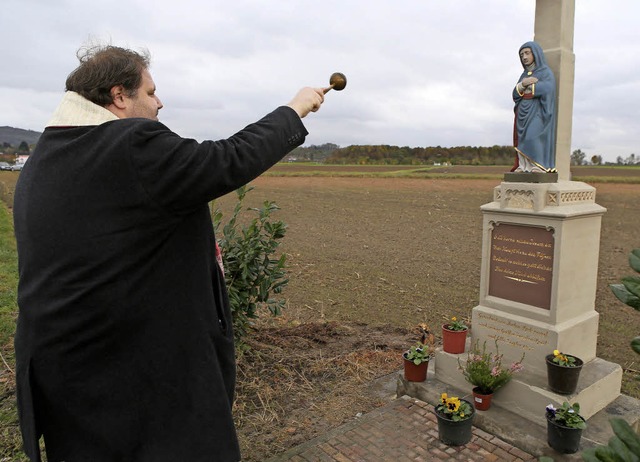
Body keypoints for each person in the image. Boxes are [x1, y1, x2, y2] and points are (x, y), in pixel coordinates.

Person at [13, 44, 326, 462]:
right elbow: (226, 160)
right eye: (151, 91)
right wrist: (295, 108)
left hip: (67, 370)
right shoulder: (129, 144)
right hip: (131, 375)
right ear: (119, 96)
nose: (160, 102)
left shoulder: (48, 155)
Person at [511, 41, 557, 173]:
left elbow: (548, 88)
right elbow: (515, 94)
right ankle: (524, 166)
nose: (524, 57)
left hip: (537, 111)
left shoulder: (545, 72)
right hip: (522, 112)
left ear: (535, 53)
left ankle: (538, 165)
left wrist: (531, 87)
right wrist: (522, 84)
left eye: (527, 53)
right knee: (522, 139)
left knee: (532, 136)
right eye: (521, 55)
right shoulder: (524, 75)